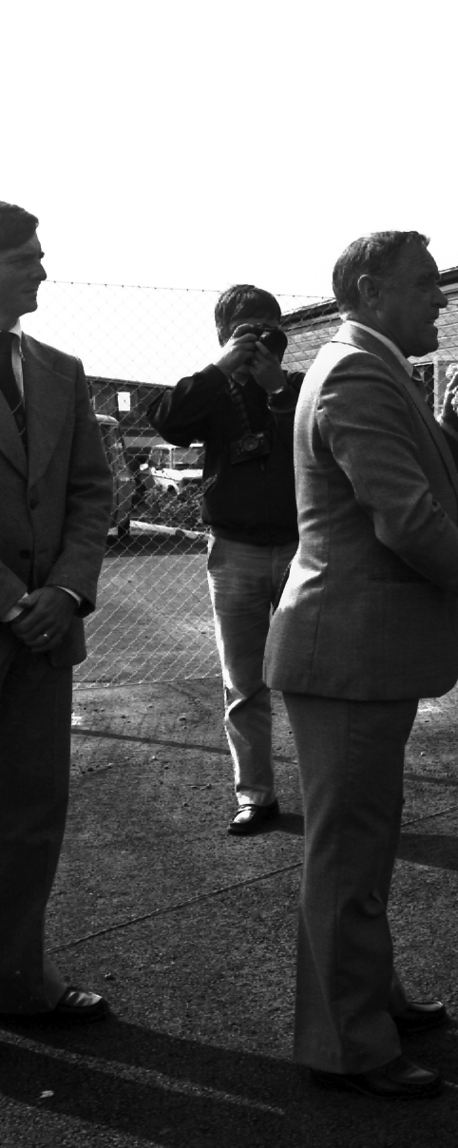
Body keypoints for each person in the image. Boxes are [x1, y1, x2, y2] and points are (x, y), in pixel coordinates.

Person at [264, 231, 458, 1100]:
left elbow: (412, 475)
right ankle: (347, 1044)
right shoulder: (355, 374)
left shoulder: (373, 368)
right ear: (373, 291)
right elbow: (404, 516)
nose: (441, 298)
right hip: (347, 652)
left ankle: (370, 994)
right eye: (426, 283)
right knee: (347, 851)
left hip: (358, 652)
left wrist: (456, 426)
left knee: (364, 841)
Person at [0, 202, 114, 1024]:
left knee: (33, 816)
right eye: (25, 257)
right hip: (20, 617)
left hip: (44, 639)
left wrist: (66, 592)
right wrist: (14, 600)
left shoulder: (60, 369)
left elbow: (89, 490)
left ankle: (19, 981)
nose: (42, 269)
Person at [149, 286, 303, 836]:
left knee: (312, 676)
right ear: (224, 336)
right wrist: (221, 368)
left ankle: (328, 790)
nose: (261, 338)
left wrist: (277, 387)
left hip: (302, 547)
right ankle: (256, 795)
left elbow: (319, 440)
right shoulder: (212, 393)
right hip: (234, 549)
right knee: (244, 683)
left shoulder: (299, 388)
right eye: (247, 330)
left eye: (270, 327)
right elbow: (167, 420)